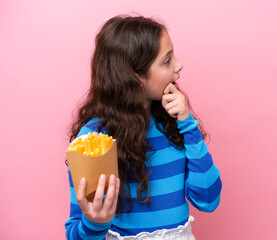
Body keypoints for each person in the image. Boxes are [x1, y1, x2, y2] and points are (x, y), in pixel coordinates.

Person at [65, 15, 222, 240]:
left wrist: (189, 125)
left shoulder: (175, 124)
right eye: (167, 61)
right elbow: (75, 233)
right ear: (134, 78)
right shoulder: (92, 141)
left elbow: (208, 200)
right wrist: (95, 224)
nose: (179, 65)